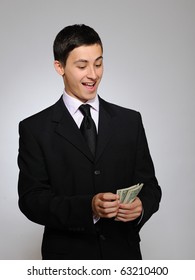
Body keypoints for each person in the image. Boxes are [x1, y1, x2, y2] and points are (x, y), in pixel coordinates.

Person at [18, 24, 162, 260]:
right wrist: (89, 207)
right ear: (60, 67)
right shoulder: (34, 128)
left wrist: (142, 206)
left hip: (123, 256)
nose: (93, 75)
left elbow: (150, 186)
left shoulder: (130, 121)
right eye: (82, 66)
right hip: (67, 260)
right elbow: (32, 200)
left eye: (98, 63)